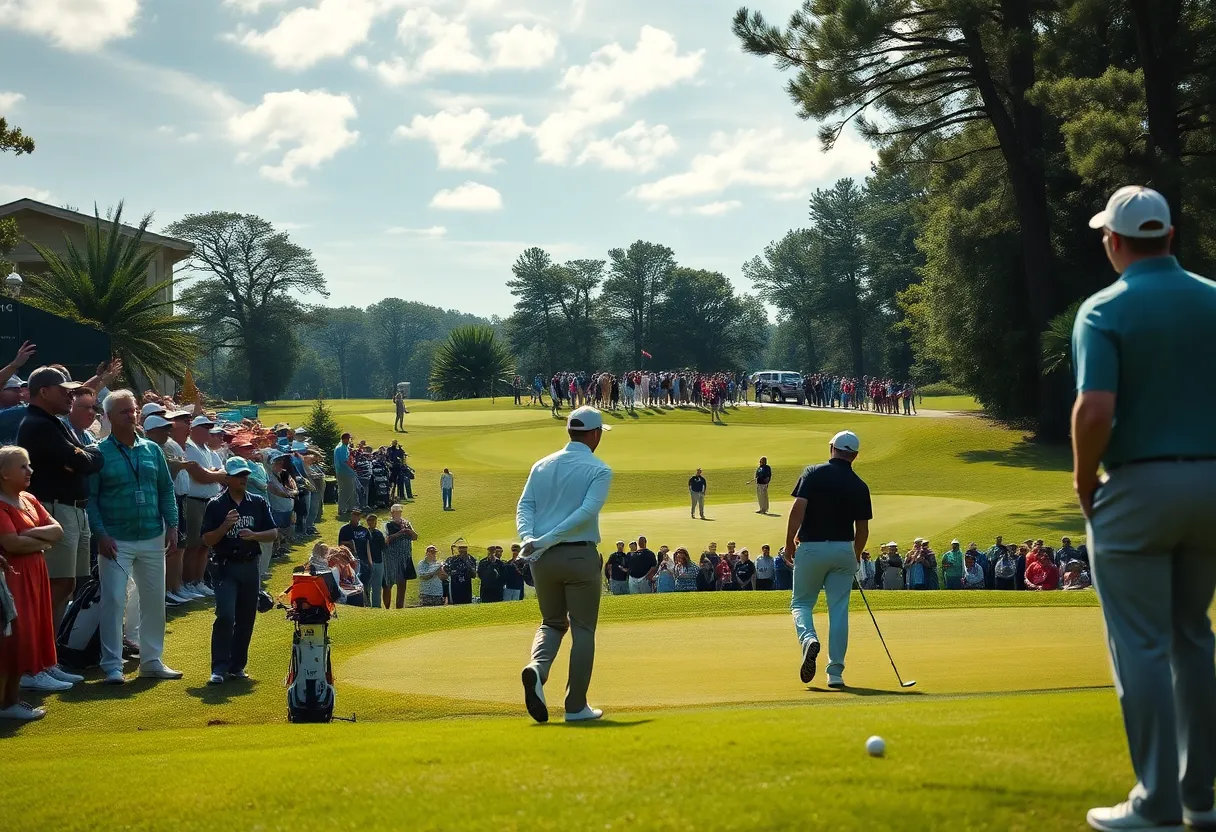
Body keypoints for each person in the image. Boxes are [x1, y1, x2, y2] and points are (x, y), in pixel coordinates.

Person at [1074, 185, 1216, 832]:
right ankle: (1200, 799)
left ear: (1115, 242)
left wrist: (1083, 479)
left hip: (1139, 486)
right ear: (1171, 236)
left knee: (1142, 644)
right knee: (1193, 636)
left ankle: (1156, 802)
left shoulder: (1105, 309)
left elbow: (1095, 410)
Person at [516, 405, 613, 724]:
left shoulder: (540, 466)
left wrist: (531, 539)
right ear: (595, 434)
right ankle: (575, 707)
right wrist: (544, 539)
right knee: (583, 628)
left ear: (570, 431)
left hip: (541, 561)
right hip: (578, 556)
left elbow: (525, 507)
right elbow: (585, 513)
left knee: (552, 622)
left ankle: (536, 670)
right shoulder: (599, 469)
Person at [87, 390, 183, 685]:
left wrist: (172, 524)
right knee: (114, 600)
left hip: (153, 535)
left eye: (133, 410)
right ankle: (113, 665)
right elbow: (91, 499)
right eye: (124, 412)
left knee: (154, 600)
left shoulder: (151, 450)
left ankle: (151, 660)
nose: (131, 415)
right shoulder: (99, 453)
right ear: (109, 417)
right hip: (116, 539)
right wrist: (100, 534)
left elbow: (166, 489)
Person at [17, 367, 104, 626]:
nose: (71, 396)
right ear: (44, 392)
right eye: (64, 391)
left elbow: (90, 460)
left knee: (66, 586)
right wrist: (81, 456)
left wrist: (82, 455)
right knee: (54, 587)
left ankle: (50, 657)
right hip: (54, 511)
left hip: (71, 510)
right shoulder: (38, 424)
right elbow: (85, 463)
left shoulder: (52, 423)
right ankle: (41, 661)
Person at [786, 430, 871, 688]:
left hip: (811, 548)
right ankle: (835, 673)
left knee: (801, 603)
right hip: (843, 549)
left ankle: (808, 639)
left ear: (831, 448)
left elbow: (798, 509)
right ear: (854, 455)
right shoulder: (859, 484)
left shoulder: (813, 472)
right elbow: (863, 530)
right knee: (839, 611)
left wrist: (789, 541)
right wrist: (854, 556)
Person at [0, 446, 74, 718]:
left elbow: (57, 531)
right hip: (12, 578)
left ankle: (11, 700)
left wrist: (28, 533)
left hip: (34, 574)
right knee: (13, 638)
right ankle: (6, 703)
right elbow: (11, 544)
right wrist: (39, 541)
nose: (30, 471)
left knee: (27, 634)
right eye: (22, 466)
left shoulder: (29, 499)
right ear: (3, 474)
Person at [201, 457, 276, 686]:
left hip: (250, 565)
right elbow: (206, 540)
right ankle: (219, 667)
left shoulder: (258, 502)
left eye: (245, 474)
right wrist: (225, 526)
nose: (243, 478)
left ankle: (237, 665)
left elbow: (273, 533)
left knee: (246, 617)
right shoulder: (216, 505)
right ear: (227, 478)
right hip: (226, 567)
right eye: (238, 475)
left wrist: (254, 535)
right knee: (226, 615)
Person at [182, 415, 226, 599]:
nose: (207, 431)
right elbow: (200, 477)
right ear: (194, 429)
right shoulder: (189, 448)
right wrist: (212, 473)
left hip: (209, 501)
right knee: (193, 544)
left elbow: (223, 473)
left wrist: (211, 473)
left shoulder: (208, 450)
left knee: (205, 544)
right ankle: (189, 582)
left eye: (209, 427)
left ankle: (198, 581)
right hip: (194, 501)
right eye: (203, 427)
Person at [382, 505, 417, 609]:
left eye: (399, 512)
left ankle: (399, 609)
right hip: (391, 559)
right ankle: (387, 608)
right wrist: (399, 533)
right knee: (388, 584)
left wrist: (410, 531)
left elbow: (415, 537)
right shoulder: (387, 524)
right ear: (392, 513)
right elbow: (386, 540)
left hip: (404, 559)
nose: (398, 513)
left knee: (402, 585)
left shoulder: (406, 523)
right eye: (396, 512)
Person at [337, 510, 371, 607]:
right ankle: (354, 603)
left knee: (365, 584)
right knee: (353, 583)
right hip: (349, 561)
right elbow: (340, 544)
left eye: (358, 515)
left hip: (363, 561)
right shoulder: (344, 529)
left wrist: (370, 562)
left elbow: (368, 547)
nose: (356, 517)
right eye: (354, 515)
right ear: (351, 516)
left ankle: (367, 603)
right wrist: (350, 543)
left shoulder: (364, 530)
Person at [365, 514, 387, 608]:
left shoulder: (379, 534)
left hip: (378, 562)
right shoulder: (364, 533)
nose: (371, 522)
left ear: (376, 522)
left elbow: (383, 547)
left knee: (377, 587)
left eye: (373, 520)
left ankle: (376, 607)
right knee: (366, 586)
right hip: (367, 563)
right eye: (369, 520)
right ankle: (367, 605)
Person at [334, 433, 357, 518]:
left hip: (345, 472)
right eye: (349, 439)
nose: (349, 441)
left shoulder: (344, 447)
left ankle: (348, 507)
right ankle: (343, 509)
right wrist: (353, 467)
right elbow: (345, 461)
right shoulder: (341, 448)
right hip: (344, 472)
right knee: (345, 491)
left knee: (348, 490)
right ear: (345, 439)